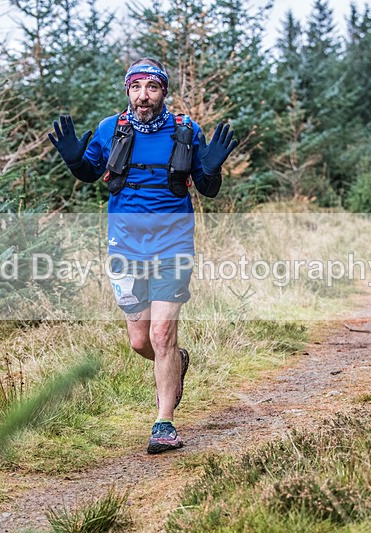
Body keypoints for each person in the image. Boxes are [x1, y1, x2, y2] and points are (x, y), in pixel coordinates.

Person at [47, 58, 237, 454]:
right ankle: (176, 360)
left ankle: (164, 423)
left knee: (161, 333)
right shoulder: (110, 128)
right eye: (136, 87)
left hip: (173, 244)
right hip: (126, 245)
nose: (143, 96)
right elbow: (89, 172)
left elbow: (207, 187)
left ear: (163, 91)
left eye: (151, 87)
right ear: (128, 91)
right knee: (139, 341)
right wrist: (74, 159)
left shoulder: (186, 130)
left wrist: (213, 169)